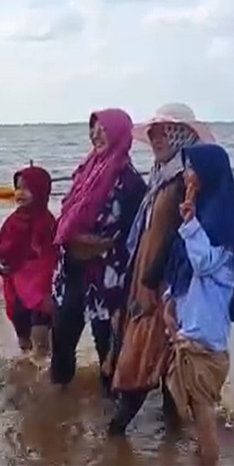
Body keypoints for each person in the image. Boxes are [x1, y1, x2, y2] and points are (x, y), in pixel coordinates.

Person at [108, 103, 212, 435]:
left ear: (182, 134)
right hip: (147, 276)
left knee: (141, 359)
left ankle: (116, 433)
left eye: (163, 132)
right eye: (152, 133)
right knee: (166, 357)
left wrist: (153, 283)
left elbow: (175, 238)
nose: (155, 139)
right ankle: (173, 437)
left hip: (165, 283)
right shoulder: (161, 176)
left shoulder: (186, 180)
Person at [164, 143, 234, 465]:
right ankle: (202, 455)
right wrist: (169, 304)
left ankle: (210, 458)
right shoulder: (200, 219)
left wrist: (190, 224)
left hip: (206, 338)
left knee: (203, 413)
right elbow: (182, 270)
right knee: (191, 409)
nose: (186, 174)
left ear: (208, 174)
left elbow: (202, 263)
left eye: (191, 168)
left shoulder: (222, 228)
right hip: (189, 330)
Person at [50, 108, 147, 394]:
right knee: (63, 336)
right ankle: (58, 407)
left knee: (108, 344)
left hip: (109, 276)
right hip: (71, 271)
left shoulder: (131, 183)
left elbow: (136, 234)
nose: (96, 135)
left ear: (118, 133)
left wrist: (102, 245)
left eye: (103, 129)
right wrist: (78, 240)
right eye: (93, 129)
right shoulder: (85, 172)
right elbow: (67, 216)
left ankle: (111, 410)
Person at [0, 165, 57, 358]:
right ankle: (27, 379)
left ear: (40, 191)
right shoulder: (12, 221)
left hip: (40, 291)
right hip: (16, 290)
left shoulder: (47, 223)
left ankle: (43, 384)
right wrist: (3, 266)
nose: (21, 193)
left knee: (42, 345)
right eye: (18, 188)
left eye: (27, 188)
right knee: (24, 343)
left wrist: (46, 289)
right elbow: (1, 250)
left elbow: (51, 259)